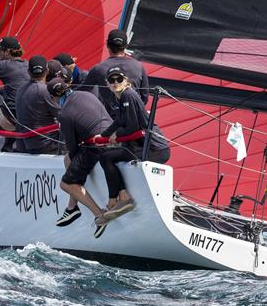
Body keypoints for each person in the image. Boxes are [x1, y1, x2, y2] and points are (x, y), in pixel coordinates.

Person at [94, 66, 170, 221]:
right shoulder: (121, 97)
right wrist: (103, 135)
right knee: (107, 155)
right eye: (112, 80)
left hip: (154, 149)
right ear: (107, 83)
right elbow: (120, 121)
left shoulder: (127, 95)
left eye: (119, 79)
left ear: (126, 81)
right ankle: (121, 197)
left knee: (106, 157)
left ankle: (118, 199)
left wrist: (114, 138)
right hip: (147, 147)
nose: (115, 82)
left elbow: (132, 126)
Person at [55, 89, 114, 238]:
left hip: (97, 146)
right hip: (113, 137)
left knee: (66, 184)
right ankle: (72, 207)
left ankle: (100, 216)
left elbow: (72, 147)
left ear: (55, 97)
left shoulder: (64, 113)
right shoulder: (85, 94)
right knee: (67, 160)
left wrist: (75, 175)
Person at [82, 29, 149, 116]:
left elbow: (81, 92)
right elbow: (144, 98)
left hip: (109, 121)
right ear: (126, 46)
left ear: (107, 44)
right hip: (135, 120)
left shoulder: (98, 69)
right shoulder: (139, 66)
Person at [15, 55, 60, 154]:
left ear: (28, 72)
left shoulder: (20, 89)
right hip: (45, 144)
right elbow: (61, 115)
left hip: (24, 144)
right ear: (47, 70)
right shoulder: (45, 90)